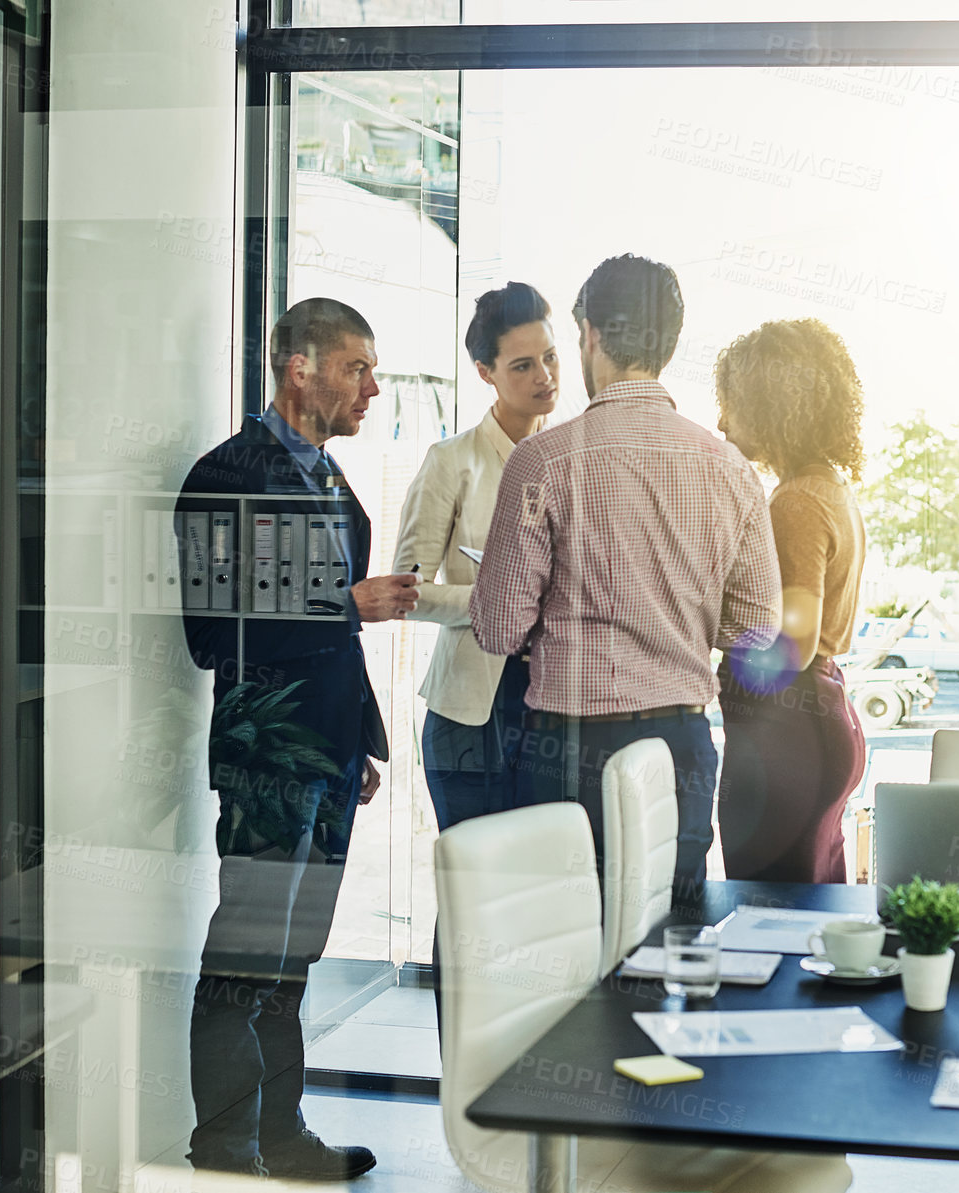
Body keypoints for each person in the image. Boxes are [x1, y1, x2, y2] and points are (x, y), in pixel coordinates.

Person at [178, 297, 420, 1180]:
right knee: (242, 960)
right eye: (358, 368)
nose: (374, 388)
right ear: (299, 367)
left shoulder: (329, 475)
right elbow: (211, 634)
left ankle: (282, 1138)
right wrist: (342, 604)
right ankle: (223, 1148)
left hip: (324, 755)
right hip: (264, 763)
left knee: (294, 962)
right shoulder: (222, 474)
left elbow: (334, 639)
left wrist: (355, 736)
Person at [471, 254, 781, 906]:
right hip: (679, 748)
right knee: (665, 957)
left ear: (588, 334)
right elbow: (757, 632)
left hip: (565, 746)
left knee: (563, 963)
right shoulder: (730, 469)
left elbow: (498, 628)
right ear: (668, 342)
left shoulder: (541, 460)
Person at [394, 282, 560, 829]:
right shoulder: (451, 462)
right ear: (486, 372)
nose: (545, 377)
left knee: (541, 896)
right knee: (472, 898)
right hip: (468, 713)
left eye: (551, 357)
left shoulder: (575, 463)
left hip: (555, 714)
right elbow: (405, 592)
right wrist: (500, 602)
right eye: (523, 366)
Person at [714, 318, 869, 884]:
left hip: (787, 737)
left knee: (768, 913)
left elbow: (793, 646)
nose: (722, 422)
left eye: (733, 404)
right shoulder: (832, 490)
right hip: (823, 716)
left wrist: (700, 623)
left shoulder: (796, 503)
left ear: (772, 404)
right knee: (810, 910)